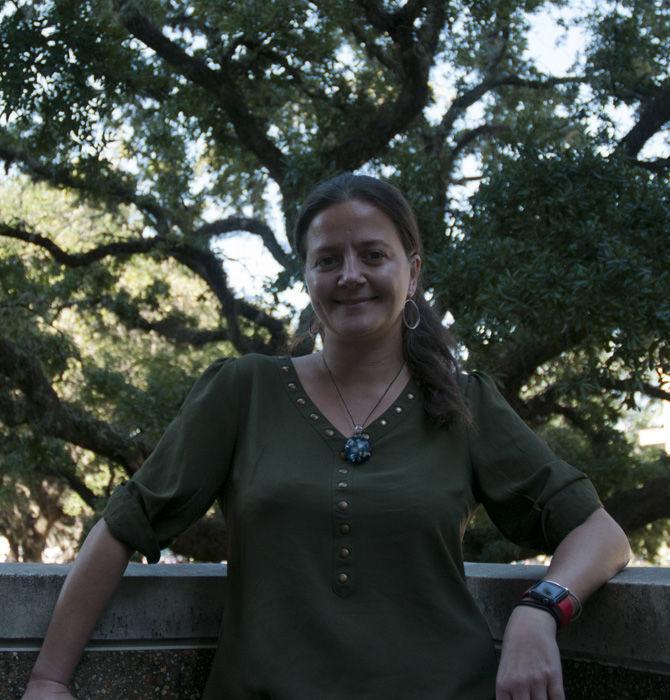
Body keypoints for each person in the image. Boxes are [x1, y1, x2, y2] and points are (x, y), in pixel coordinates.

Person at [23, 173, 630, 700]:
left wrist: (539, 609)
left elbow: (599, 533)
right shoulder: (244, 390)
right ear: (306, 275)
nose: (351, 276)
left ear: (412, 271)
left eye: (373, 255)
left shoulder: (465, 403)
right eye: (328, 259)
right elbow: (126, 523)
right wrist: (48, 680)